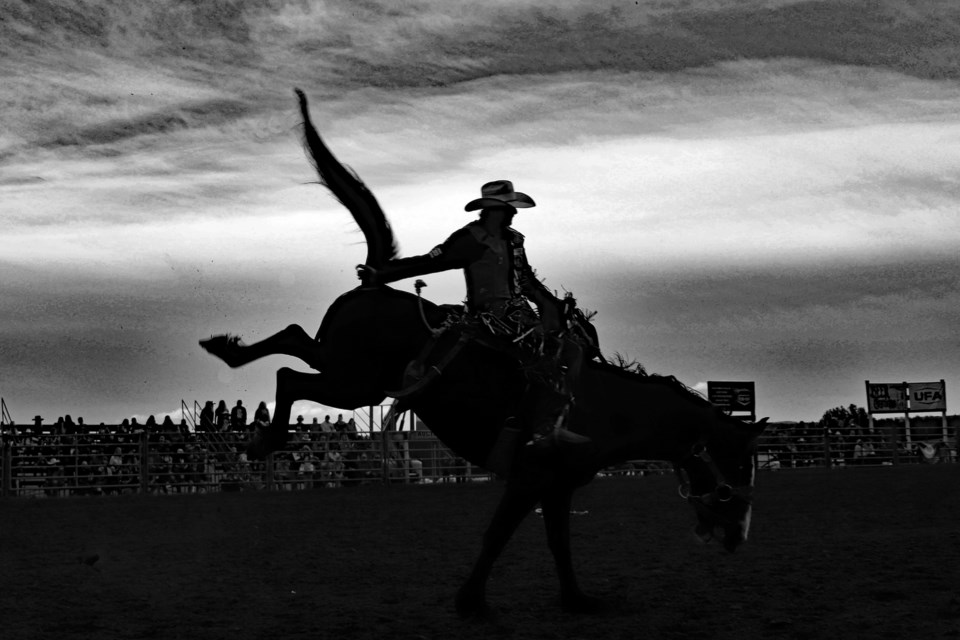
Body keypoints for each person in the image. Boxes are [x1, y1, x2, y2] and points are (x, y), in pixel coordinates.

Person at [357, 179, 590, 452]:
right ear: (494, 210)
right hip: (490, 318)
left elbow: (526, 280)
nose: (514, 213)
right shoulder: (470, 239)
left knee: (572, 350)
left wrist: (552, 304)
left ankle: (555, 421)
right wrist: (383, 274)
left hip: (519, 317)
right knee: (548, 358)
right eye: (508, 208)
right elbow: (430, 262)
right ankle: (543, 427)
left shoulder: (514, 240)